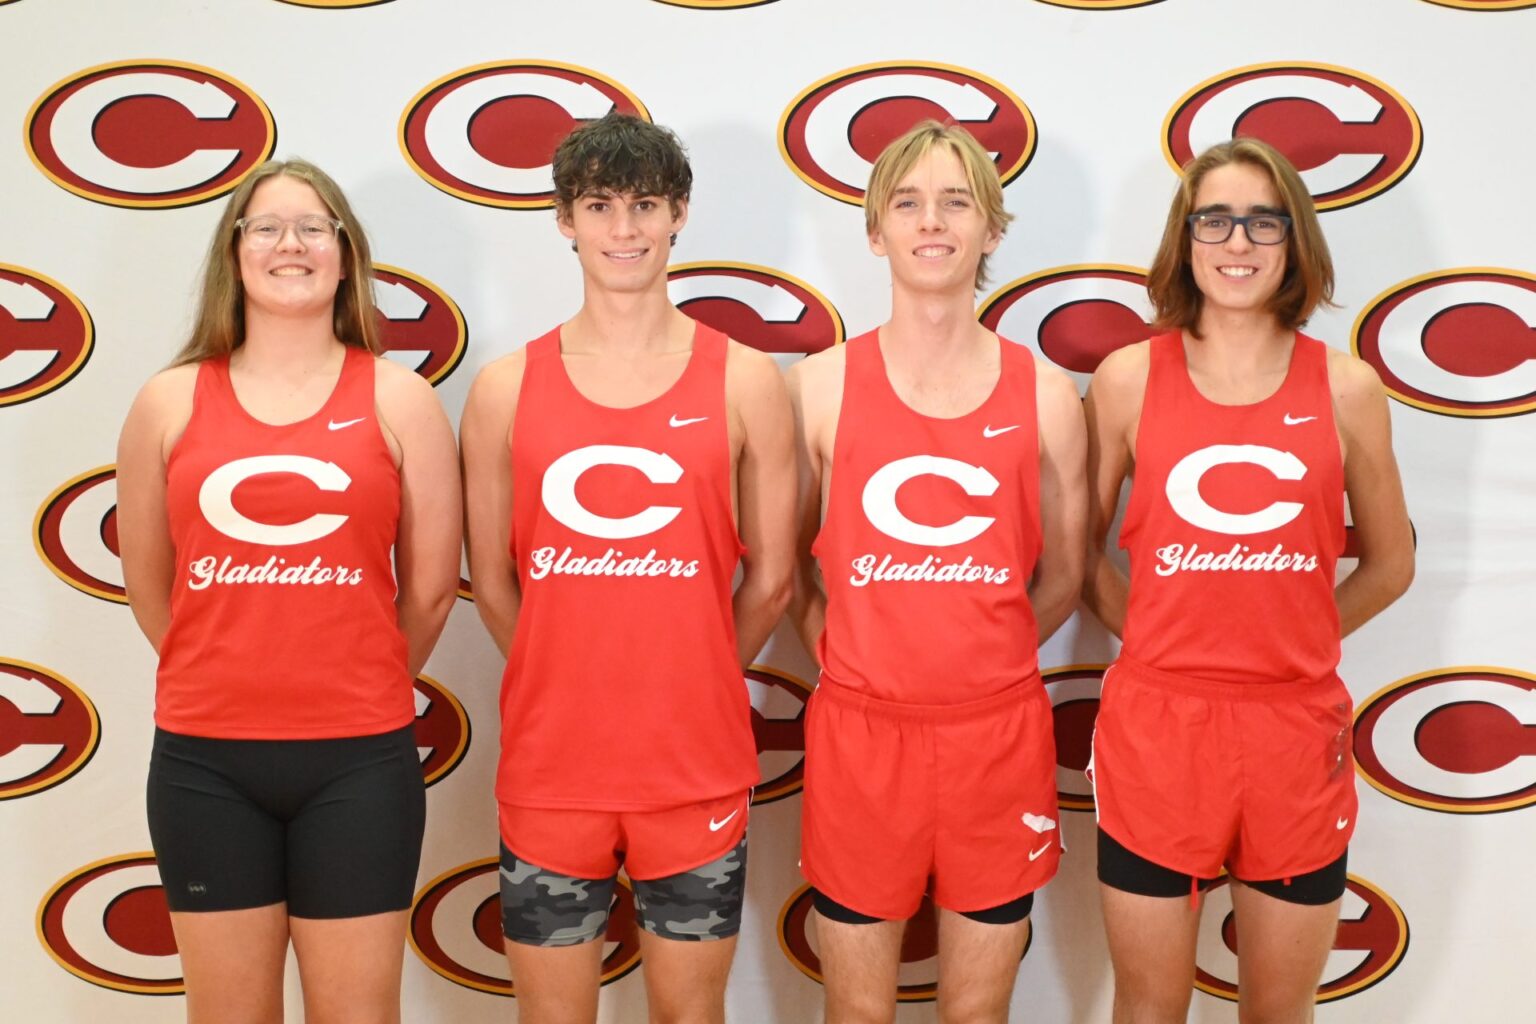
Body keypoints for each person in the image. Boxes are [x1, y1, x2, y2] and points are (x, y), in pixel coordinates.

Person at [460, 112, 795, 1024]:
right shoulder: (505, 388)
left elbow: (773, 580)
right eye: (600, 205)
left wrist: (692, 672)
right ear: (565, 220)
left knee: (690, 1013)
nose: (624, 228)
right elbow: (492, 581)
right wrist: (565, 674)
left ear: (678, 215)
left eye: (645, 205)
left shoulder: (743, 380)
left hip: (694, 767)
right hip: (551, 769)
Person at [116, 159, 461, 1024]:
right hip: (204, 764)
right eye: (266, 227)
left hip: (359, 761)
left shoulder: (400, 399)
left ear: (345, 255)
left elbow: (428, 593)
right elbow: (151, 586)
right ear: (234, 254)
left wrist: (352, 680)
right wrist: (231, 669)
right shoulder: (167, 401)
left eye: (313, 227)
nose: (290, 245)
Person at [1081, 137, 1415, 1024]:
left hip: (1291, 734)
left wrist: (1291, 638)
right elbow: (1076, 554)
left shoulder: (1347, 388)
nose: (1239, 242)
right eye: (1216, 220)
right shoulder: (1127, 380)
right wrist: (1155, 637)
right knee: (1149, 1005)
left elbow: (1391, 564)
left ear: (1294, 240)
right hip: (1158, 729)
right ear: (1185, 238)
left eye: (1264, 222)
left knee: (1278, 1009)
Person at [786, 120, 1088, 1024]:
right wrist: (851, 656)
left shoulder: (1044, 394)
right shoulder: (820, 386)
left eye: (956, 202)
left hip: (996, 738)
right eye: (908, 202)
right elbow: (786, 563)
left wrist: (978, 659)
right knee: (857, 1013)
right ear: (876, 231)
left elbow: (1066, 572)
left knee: (977, 1014)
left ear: (990, 230)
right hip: (860, 737)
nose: (932, 221)